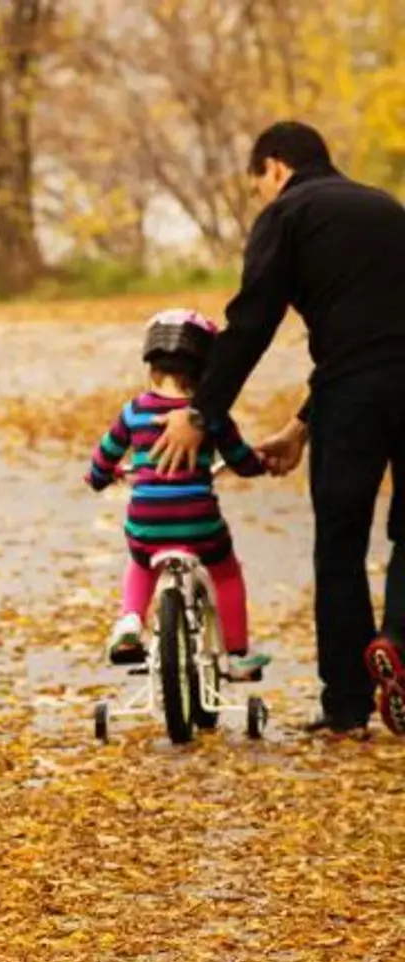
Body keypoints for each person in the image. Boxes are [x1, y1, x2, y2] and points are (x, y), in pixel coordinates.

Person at [151, 121, 405, 735]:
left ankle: (346, 704)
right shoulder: (387, 210)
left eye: (258, 185)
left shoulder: (288, 214)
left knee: (341, 543)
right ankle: (398, 640)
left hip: (352, 395)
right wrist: (300, 426)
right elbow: (380, 331)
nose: (261, 196)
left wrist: (201, 412)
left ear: (275, 166)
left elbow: (252, 323)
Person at [88, 311, 271, 678]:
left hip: (147, 521)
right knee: (226, 572)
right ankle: (237, 654)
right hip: (199, 522)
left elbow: (105, 455)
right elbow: (240, 458)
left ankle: (129, 621)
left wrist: (100, 476)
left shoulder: (134, 412)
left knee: (142, 561)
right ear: (205, 369)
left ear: (152, 366)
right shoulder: (209, 416)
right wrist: (259, 464)